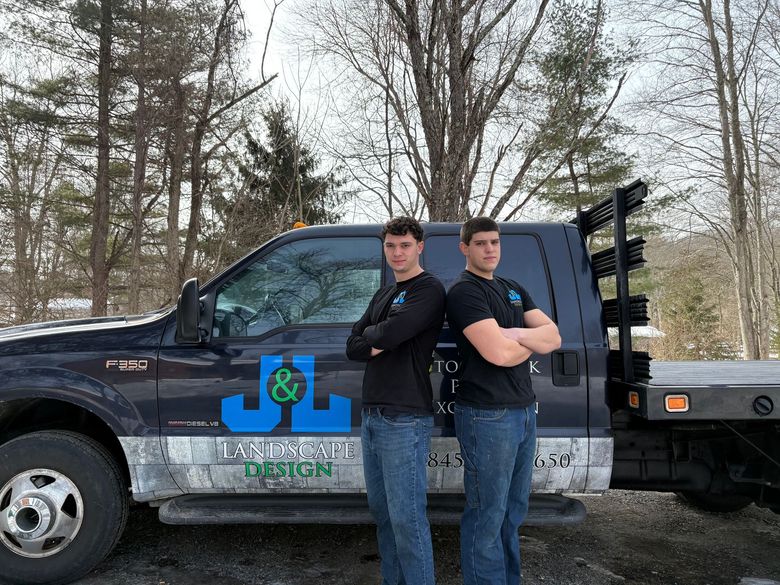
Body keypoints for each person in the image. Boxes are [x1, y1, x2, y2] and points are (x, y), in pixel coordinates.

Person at [446, 217, 561, 585]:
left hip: (523, 411)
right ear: (465, 248)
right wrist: (528, 341)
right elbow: (496, 353)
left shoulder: (513, 289)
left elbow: (554, 337)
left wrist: (513, 335)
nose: (490, 249)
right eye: (480, 243)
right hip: (486, 415)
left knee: (514, 511)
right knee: (487, 512)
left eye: (494, 242)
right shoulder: (464, 292)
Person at [346, 216, 445, 585]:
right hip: (372, 416)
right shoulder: (384, 293)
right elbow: (353, 345)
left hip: (405, 418)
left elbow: (392, 333)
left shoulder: (429, 289)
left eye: (405, 245)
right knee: (384, 514)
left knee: (407, 517)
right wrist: (377, 336)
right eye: (391, 245)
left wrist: (376, 335)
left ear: (420, 247)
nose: (397, 252)